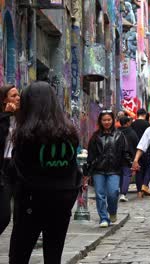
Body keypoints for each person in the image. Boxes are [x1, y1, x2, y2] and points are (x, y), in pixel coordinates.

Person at [8, 81, 81, 263]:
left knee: (19, 255)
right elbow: (73, 170)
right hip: (61, 202)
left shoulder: (26, 135)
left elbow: (17, 170)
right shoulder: (69, 133)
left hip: (31, 203)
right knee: (53, 254)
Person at [87, 110, 132, 228]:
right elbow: (91, 155)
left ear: (113, 120)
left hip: (114, 170)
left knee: (113, 193)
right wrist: (87, 171)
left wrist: (130, 164)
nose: (106, 122)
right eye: (104, 120)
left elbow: (125, 152)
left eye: (109, 120)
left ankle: (112, 211)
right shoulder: (95, 136)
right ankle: (103, 218)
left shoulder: (119, 135)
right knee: (100, 194)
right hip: (98, 170)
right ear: (100, 121)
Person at [0, 84, 20, 236]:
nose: (18, 98)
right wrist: (6, 115)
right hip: (3, 169)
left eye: (18, 95)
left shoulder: (22, 118)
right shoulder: (3, 118)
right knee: (4, 216)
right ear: (4, 99)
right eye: (13, 96)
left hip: (17, 168)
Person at [131, 108, 150, 197]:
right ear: (144, 115)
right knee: (148, 168)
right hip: (146, 149)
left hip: (136, 150)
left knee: (138, 170)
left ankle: (139, 191)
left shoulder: (132, 124)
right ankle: (145, 185)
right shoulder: (147, 124)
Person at [118, 116, 139, 202]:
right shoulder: (132, 132)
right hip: (129, 156)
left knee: (119, 174)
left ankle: (120, 191)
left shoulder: (117, 132)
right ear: (127, 123)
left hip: (118, 156)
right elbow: (137, 144)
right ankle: (123, 193)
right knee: (127, 174)